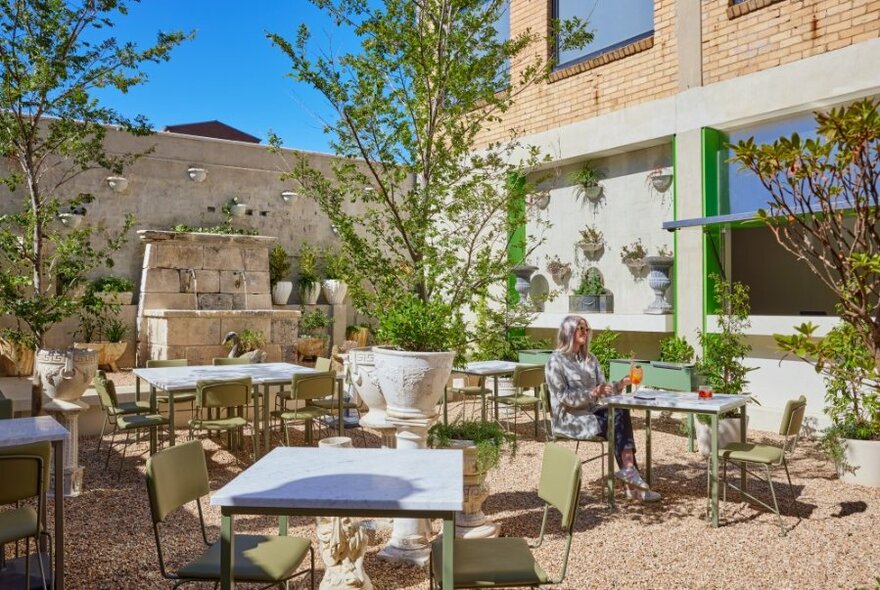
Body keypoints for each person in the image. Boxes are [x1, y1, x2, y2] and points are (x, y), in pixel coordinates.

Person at [545, 315, 661, 502]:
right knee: (615, 422)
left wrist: (621, 384)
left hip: (592, 412)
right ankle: (632, 482)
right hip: (571, 419)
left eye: (586, 329)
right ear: (568, 332)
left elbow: (604, 390)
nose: (585, 332)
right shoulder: (555, 362)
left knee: (619, 410)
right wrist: (592, 392)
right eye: (580, 328)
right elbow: (565, 397)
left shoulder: (590, 359)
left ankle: (630, 474)